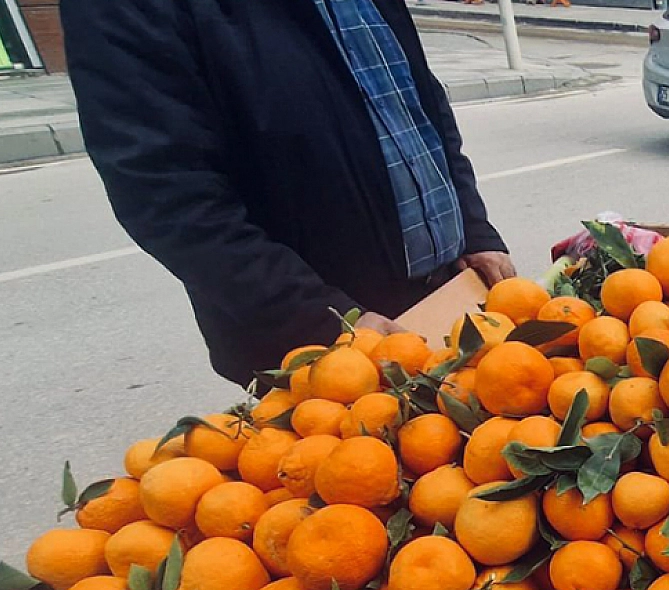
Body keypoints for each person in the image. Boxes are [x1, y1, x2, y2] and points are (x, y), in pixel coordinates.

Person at [60, 0, 516, 386]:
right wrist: (322, 318)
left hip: (447, 295)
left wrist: (473, 229)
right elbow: (163, 190)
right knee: (356, 481)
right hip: (326, 342)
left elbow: (418, 104)